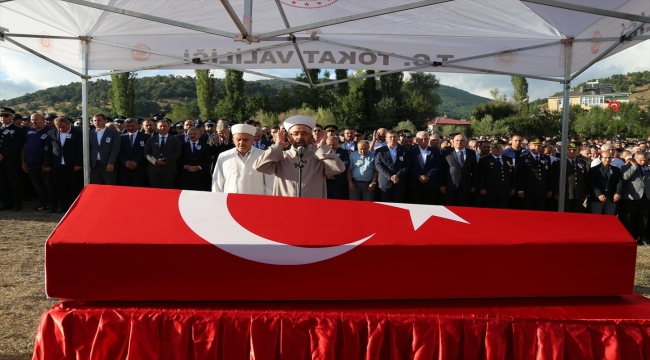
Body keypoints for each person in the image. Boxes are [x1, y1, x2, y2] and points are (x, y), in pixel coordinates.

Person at [254, 115, 345, 198]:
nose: (300, 137)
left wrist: (322, 147)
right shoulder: (282, 157)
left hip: (313, 208)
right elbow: (259, 166)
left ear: (311, 137)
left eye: (304, 133)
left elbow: (338, 168)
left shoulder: (319, 157)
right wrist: (278, 146)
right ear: (289, 137)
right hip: (285, 209)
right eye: (295, 133)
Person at [213, 124, 273, 195]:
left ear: (252, 140)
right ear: (233, 140)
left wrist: (267, 204)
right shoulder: (224, 156)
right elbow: (217, 184)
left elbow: (270, 185)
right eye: (238, 140)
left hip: (256, 203)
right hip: (230, 203)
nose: (241, 143)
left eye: (245, 140)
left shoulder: (264, 156)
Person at [43, 117, 83, 214]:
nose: (61, 129)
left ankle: (75, 207)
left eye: (63, 127)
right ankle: (63, 207)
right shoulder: (51, 133)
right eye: (59, 127)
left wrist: (78, 163)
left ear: (69, 124)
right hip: (57, 165)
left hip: (72, 165)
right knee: (60, 187)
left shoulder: (78, 133)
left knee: (74, 187)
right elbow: (47, 150)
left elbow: (80, 150)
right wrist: (47, 164)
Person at [21, 113, 55, 211]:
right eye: (32, 119)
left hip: (44, 164)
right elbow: (24, 147)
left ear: (43, 120)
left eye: (36, 119)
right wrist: (23, 162)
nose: (33, 121)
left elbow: (54, 149)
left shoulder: (51, 131)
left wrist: (47, 162)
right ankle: (42, 204)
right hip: (31, 163)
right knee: (38, 186)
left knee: (48, 185)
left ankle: (52, 205)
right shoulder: (28, 132)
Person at [620, 152, 650, 246]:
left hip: (645, 196)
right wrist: (633, 167)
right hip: (631, 197)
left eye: (645, 160)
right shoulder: (626, 167)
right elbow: (624, 178)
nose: (643, 162)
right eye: (641, 160)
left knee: (643, 218)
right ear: (635, 159)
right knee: (629, 218)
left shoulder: (647, 168)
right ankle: (629, 237)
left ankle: (642, 237)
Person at [439, 134, 477, 206]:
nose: (459, 142)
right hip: (450, 186)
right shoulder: (446, 153)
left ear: (466, 142)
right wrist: (442, 184)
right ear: (452, 142)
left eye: (462, 140)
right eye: (457, 140)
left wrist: (474, 185)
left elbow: (475, 170)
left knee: (463, 208)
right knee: (450, 207)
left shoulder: (471, 153)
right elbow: (442, 170)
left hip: (465, 186)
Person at [374, 130, 411, 203]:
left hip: (400, 182)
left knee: (399, 205)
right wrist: (390, 176)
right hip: (385, 182)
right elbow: (378, 165)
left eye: (394, 137)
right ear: (386, 138)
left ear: (398, 138)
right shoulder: (379, 151)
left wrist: (397, 176)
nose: (392, 139)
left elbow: (407, 165)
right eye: (390, 137)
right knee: (386, 206)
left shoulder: (404, 151)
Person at [0, 107, 26, 211]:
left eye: (6, 116)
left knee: (14, 182)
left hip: (11, 160)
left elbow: (17, 145)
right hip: (0, 161)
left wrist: (3, 154)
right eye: (1, 116)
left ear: (11, 117)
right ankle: (6, 202)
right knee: (2, 183)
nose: (3, 118)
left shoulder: (18, 130)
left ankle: (17, 203)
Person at [516, 137, 552, 210]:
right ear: (529, 146)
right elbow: (519, 175)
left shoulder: (546, 158)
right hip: (528, 191)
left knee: (540, 212)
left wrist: (550, 189)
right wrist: (520, 190)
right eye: (534, 145)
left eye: (539, 145)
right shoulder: (523, 158)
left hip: (542, 191)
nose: (537, 147)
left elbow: (549, 175)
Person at [552, 141, 588, 213]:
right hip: (565, 194)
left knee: (577, 214)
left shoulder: (582, 162)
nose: (572, 151)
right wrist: (556, 192)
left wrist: (586, 192)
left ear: (578, 151)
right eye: (570, 150)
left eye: (574, 150)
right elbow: (555, 179)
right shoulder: (558, 163)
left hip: (578, 194)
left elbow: (585, 178)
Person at [478, 140, 515, 209]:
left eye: (498, 148)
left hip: (505, 190)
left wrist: (513, 188)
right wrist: (482, 188)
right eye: (494, 148)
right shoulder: (484, 160)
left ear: (502, 148)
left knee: (504, 209)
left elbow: (512, 175)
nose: (496, 150)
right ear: (491, 149)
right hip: (490, 190)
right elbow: (481, 175)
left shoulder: (508, 159)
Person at [144, 119, 181, 188]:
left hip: (169, 170)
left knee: (168, 192)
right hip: (154, 170)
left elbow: (177, 153)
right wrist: (155, 161)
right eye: (160, 126)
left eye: (165, 126)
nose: (162, 128)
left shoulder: (175, 140)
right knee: (155, 192)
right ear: (156, 127)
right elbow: (146, 153)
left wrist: (165, 160)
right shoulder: (150, 139)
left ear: (169, 127)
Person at [409, 131, 441, 205]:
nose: (424, 141)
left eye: (426, 139)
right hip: (415, 183)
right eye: (421, 139)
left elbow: (438, 165)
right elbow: (410, 165)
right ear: (416, 140)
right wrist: (418, 176)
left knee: (430, 204)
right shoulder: (411, 152)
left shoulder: (435, 152)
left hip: (431, 183)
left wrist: (428, 176)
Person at [89, 114, 121, 185]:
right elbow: (88, 149)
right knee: (96, 188)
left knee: (110, 186)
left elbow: (115, 148)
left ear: (105, 121)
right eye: (95, 120)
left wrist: (111, 163)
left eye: (99, 120)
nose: (97, 122)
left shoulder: (113, 133)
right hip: (94, 166)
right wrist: (88, 164)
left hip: (107, 165)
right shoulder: (90, 134)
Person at [588, 150, 623, 215]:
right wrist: (599, 194)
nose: (607, 159)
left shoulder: (616, 169)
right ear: (601, 158)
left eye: (609, 158)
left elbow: (620, 182)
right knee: (596, 218)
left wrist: (618, 193)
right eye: (605, 157)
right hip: (597, 197)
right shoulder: (594, 170)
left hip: (611, 197)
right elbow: (592, 183)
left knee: (610, 217)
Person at [118, 118, 150, 187]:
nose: (130, 128)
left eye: (132, 126)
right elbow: (119, 151)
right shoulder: (121, 137)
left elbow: (144, 150)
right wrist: (125, 161)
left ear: (137, 125)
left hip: (139, 169)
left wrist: (136, 161)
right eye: (128, 126)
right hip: (125, 169)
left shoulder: (145, 137)